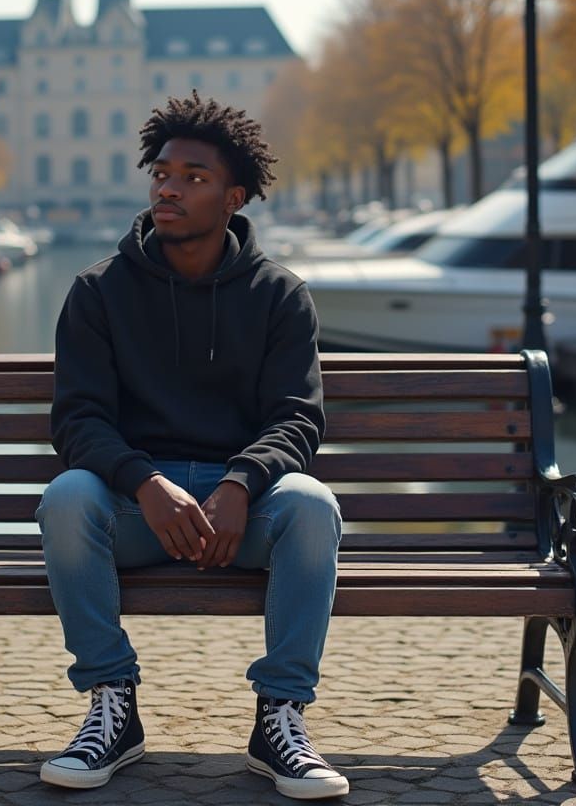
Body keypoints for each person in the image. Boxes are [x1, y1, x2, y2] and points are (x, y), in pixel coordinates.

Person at [36, 91, 347, 799]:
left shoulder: (280, 296)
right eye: (162, 172)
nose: (169, 187)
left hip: (244, 511)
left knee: (310, 505)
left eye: (194, 178)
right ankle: (112, 706)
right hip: (136, 508)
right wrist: (145, 482)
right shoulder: (98, 292)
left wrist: (240, 484)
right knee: (66, 498)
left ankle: (280, 718)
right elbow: (78, 421)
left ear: (233, 198)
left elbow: (297, 418)